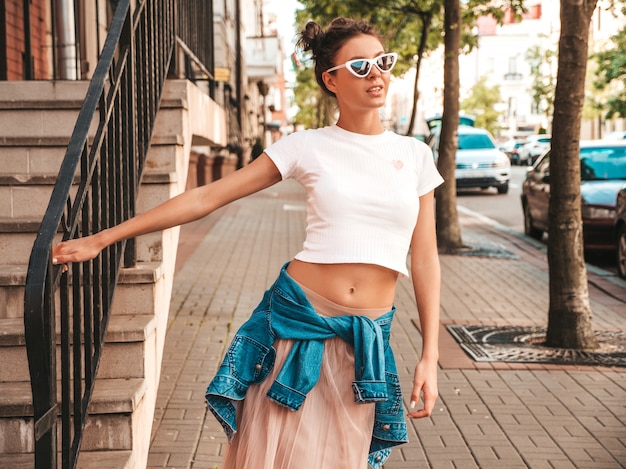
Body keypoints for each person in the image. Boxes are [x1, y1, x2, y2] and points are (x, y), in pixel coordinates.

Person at [52, 17, 443, 469]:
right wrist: (103, 239)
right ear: (330, 79)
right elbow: (207, 196)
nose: (376, 73)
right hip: (297, 328)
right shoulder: (306, 146)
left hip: (366, 342)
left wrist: (429, 357)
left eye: (382, 62)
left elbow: (424, 256)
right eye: (360, 66)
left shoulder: (414, 155)